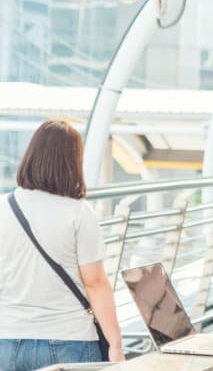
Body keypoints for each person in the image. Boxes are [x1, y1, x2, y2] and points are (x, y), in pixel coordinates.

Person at [0, 120, 124, 370]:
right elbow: (95, 283)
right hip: (69, 339)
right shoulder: (78, 213)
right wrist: (115, 343)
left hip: (7, 338)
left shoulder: (3, 207)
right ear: (72, 162)